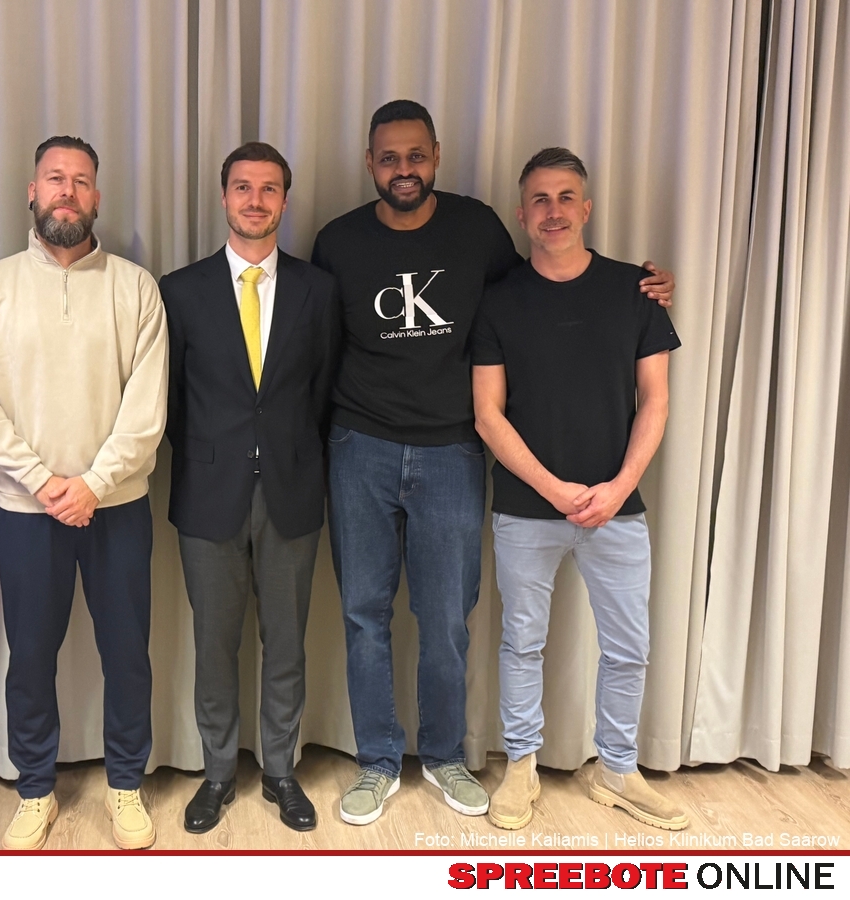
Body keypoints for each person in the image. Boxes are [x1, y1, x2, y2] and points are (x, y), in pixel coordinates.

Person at [309, 99, 675, 826]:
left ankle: (445, 754)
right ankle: (378, 759)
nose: (404, 169)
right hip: (360, 447)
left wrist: (645, 287)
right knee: (362, 613)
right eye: (390, 157)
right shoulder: (337, 241)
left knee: (447, 617)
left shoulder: (478, 229)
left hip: (452, 450)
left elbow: (544, 286)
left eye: (416, 155)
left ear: (437, 157)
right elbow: (316, 346)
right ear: (370, 163)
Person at [0, 136, 168, 851]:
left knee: (127, 654)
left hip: (118, 508)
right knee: (31, 657)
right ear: (32, 191)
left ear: (97, 197)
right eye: (55, 178)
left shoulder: (135, 288)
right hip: (28, 511)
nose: (67, 191)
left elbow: (147, 408)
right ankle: (35, 790)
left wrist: (94, 485)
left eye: (80, 180)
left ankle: (126, 784)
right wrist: (46, 483)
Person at [471, 147, 687, 831]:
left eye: (566, 197)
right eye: (540, 198)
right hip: (526, 508)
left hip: (618, 508)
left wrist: (619, 487)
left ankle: (617, 769)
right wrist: (556, 490)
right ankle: (522, 766)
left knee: (628, 648)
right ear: (521, 214)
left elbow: (655, 400)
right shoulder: (498, 300)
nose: (554, 210)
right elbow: (487, 415)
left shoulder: (635, 291)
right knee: (521, 644)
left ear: (586, 208)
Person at [159, 142, 339, 834]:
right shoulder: (180, 290)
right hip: (209, 495)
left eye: (269, 189)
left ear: (284, 201)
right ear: (224, 196)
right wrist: (213, 456)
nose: (255, 201)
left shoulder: (319, 289)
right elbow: (171, 400)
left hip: (293, 491)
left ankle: (281, 771)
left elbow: (323, 390)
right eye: (243, 187)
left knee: (286, 644)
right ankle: (215, 775)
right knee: (214, 645)